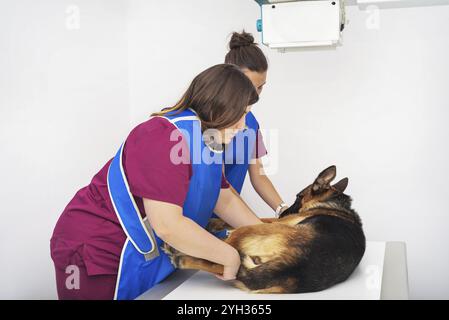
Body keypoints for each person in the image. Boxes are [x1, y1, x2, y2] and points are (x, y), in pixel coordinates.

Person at [50, 64, 263, 300]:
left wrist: (266, 235)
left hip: (132, 248)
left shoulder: (206, 142)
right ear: (219, 105)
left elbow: (223, 198)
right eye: (241, 113)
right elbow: (167, 225)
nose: (243, 125)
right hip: (95, 246)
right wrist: (228, 256)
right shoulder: (163, 135)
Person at [223, 31, 288, 217]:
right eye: (251, 87)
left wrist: (282, 209)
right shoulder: (207, 121)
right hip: (197, 218)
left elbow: (258, 175)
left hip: (227, 217)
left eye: (261, 87)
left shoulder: (250, 123)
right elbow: (216, 187)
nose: (256, 95)